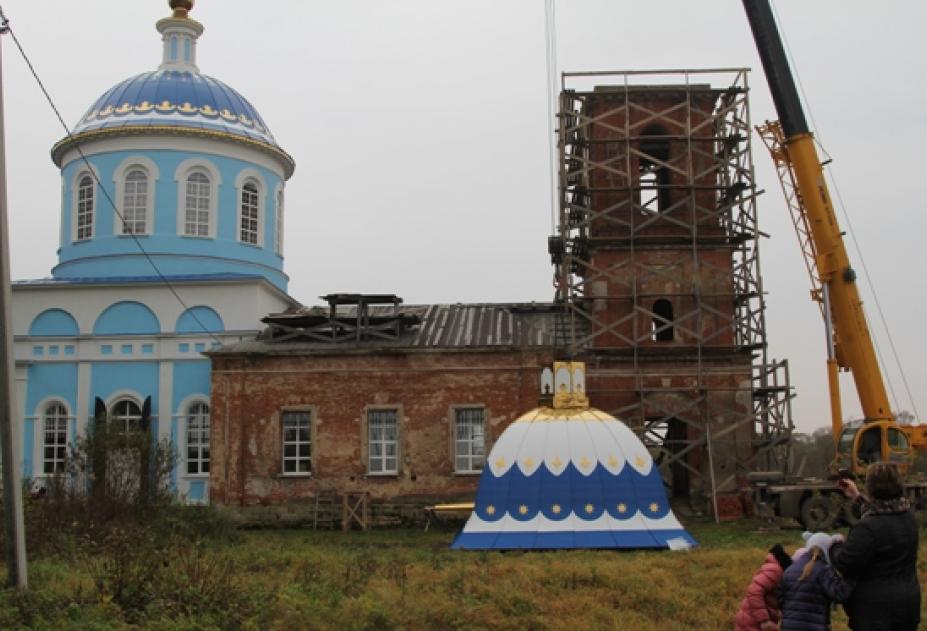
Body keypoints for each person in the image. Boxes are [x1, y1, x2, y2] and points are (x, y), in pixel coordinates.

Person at [831, 463, 921, 630]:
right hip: (908, 606)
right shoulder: (908, 518)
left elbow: (845, 562)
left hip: (875, 613)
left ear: (871, 488)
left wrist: (834, 545)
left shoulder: (867, 529)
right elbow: (883, 512)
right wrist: (857, 496)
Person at [777, 531, 853, 630]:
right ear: (827, 551)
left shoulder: (789, 570)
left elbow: (779, 598)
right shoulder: (824, 570)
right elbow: (839, 594)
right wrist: (850, 575)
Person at [734, 543, 793, 631]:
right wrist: (764, 620)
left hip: (752, 619)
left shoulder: (774, 568)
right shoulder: (775, 570)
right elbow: (754, 591)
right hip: (752, 621)